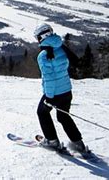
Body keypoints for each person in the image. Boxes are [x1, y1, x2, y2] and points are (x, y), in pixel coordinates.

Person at [33, 23, 87, 154]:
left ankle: (52, 141)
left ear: (42, 37)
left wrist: (49, 97)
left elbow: (49, 77)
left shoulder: (43, 55)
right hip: (66, 90)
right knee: (63, 116)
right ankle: (78, 144)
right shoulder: (61, 48)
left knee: (42, 112)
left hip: (54, 93)